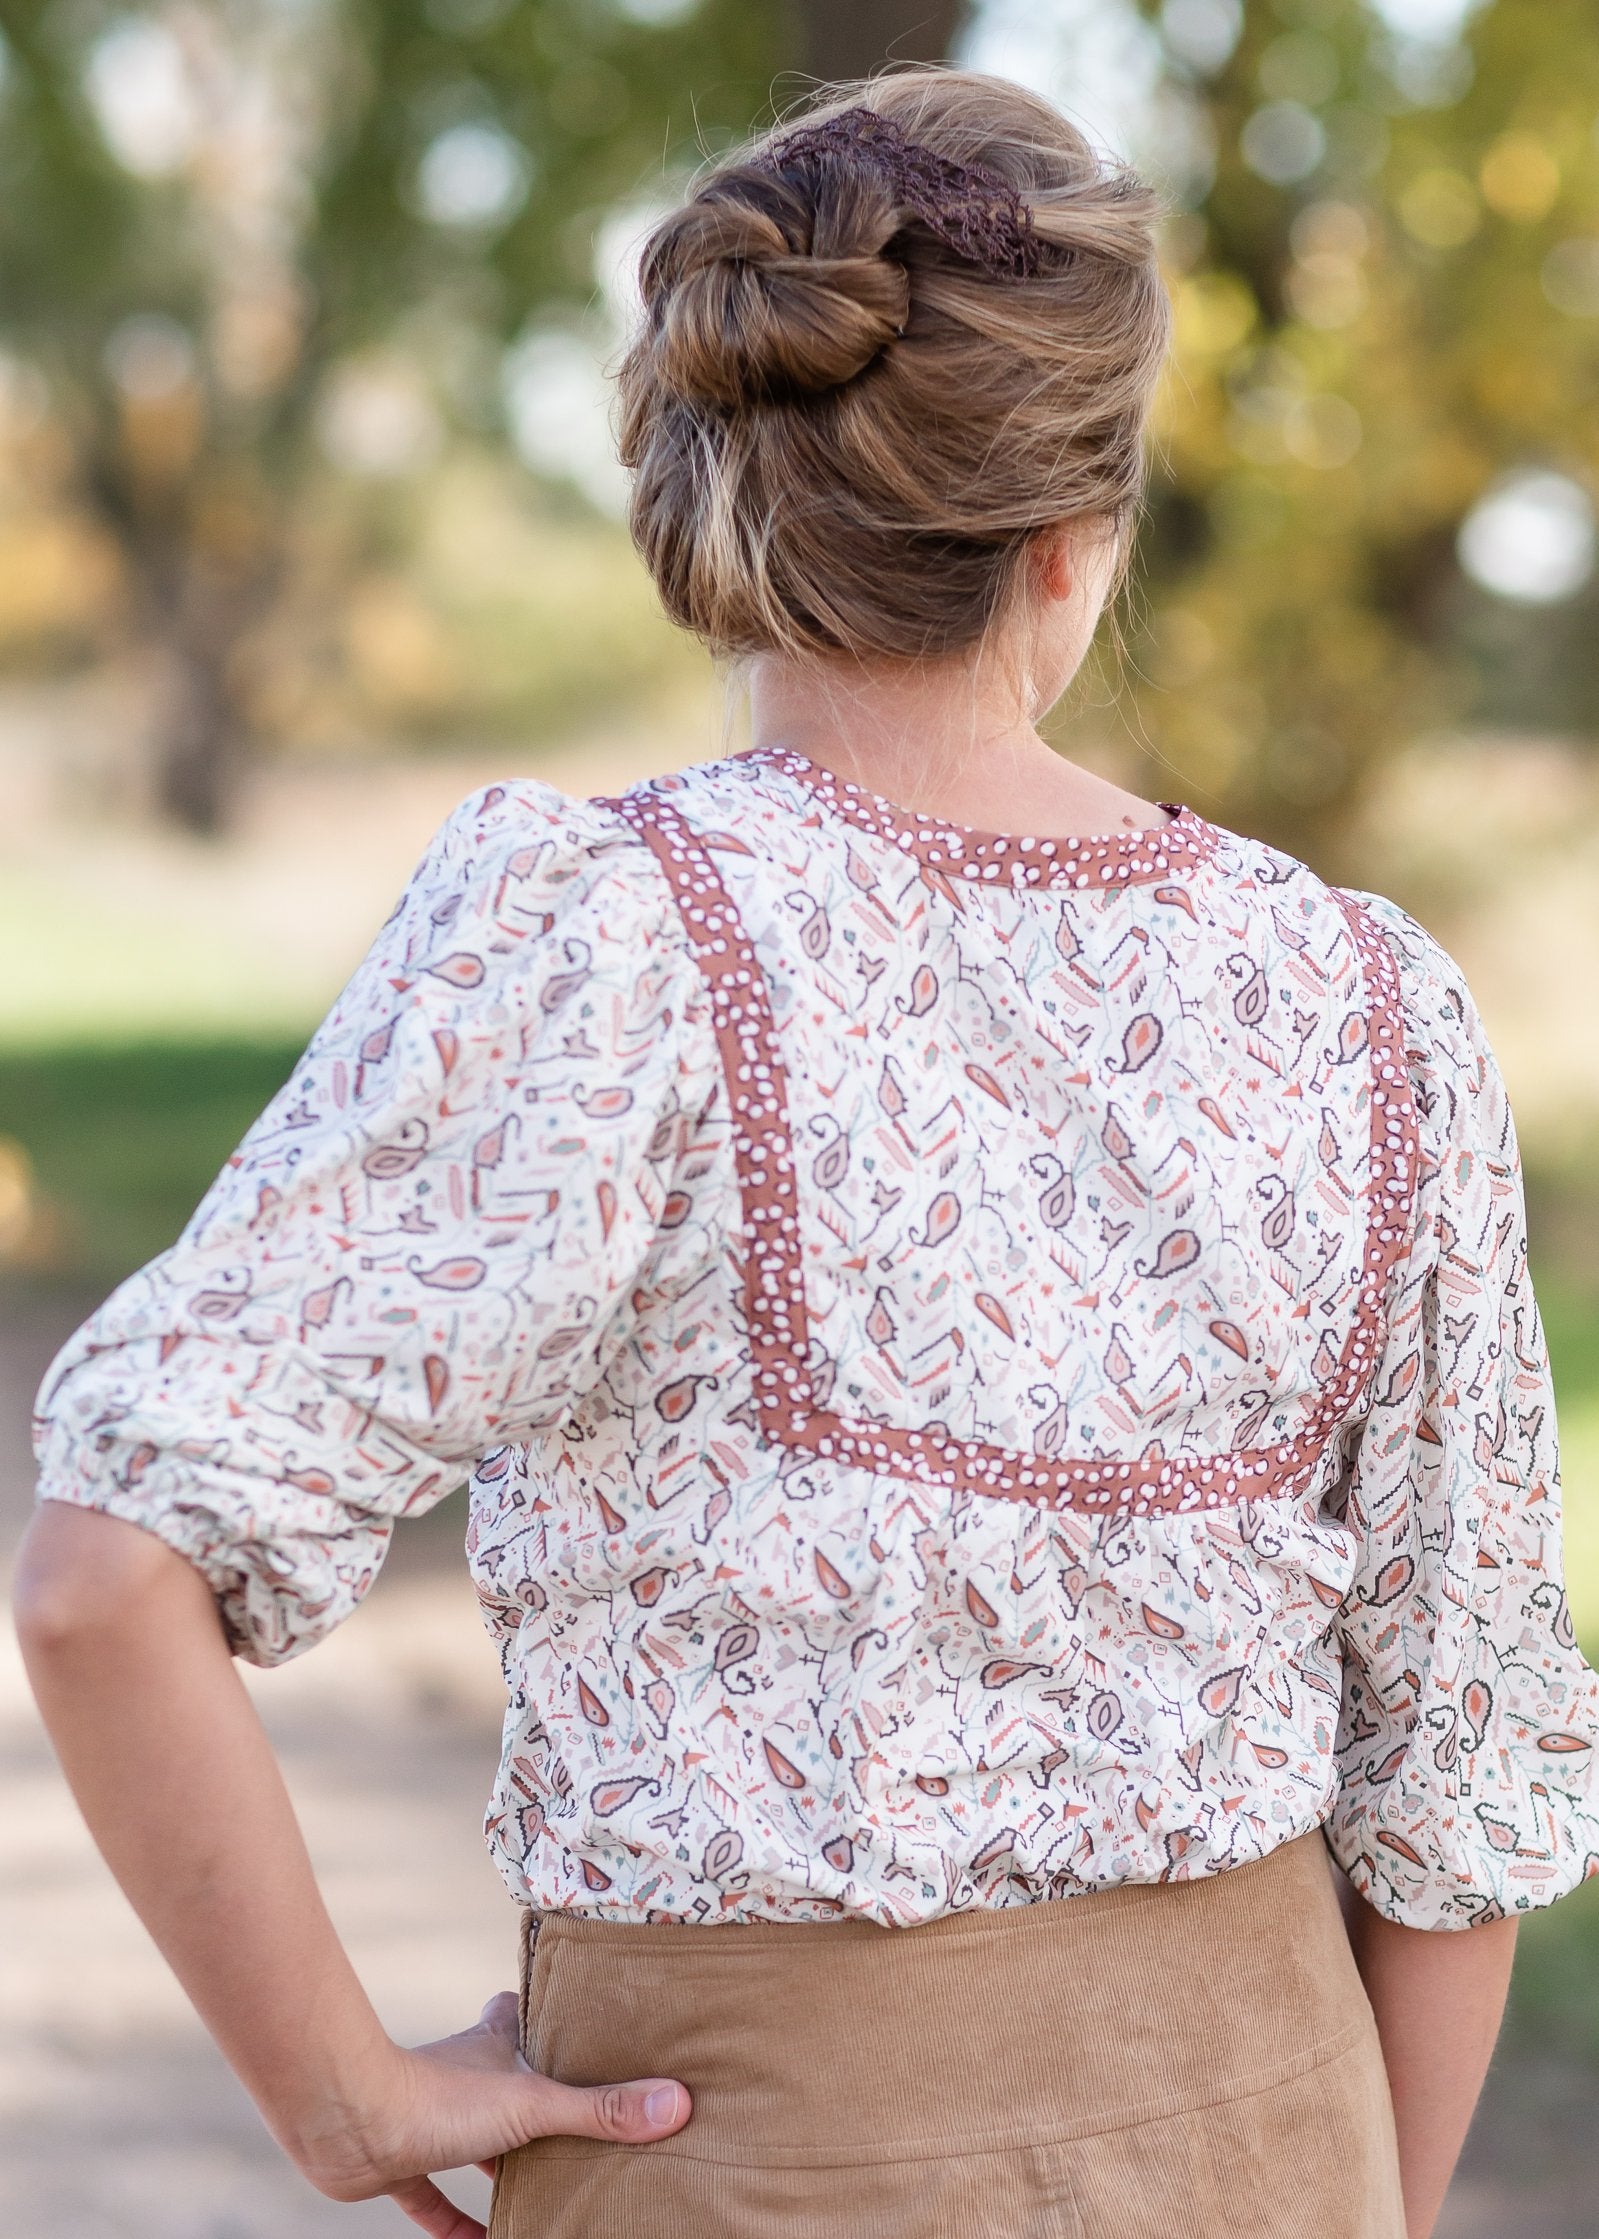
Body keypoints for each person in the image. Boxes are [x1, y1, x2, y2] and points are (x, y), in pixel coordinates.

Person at [15, 62, 1599, 2239]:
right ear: (1078, 532)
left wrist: (345, 2100)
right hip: (1272, 2140)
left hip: (750, 2172)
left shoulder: (604, 944)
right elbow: (1454, 1778)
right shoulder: (1363, 1002)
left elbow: (106, 1584)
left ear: (711, 491)